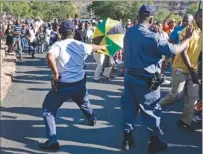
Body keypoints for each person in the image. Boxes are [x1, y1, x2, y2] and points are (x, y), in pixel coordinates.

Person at [121, 4, 194, 153]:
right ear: (152, 18)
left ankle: (127, 139)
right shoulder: (154, 37)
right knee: (151, 111)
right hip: (146, 81)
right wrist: (187, 39)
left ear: (138, 16)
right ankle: (155, 143)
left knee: (129, 109)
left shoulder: (129, 32)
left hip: (129, 78)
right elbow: (175, 50)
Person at [38, 21, 106, 150]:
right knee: (84, 102)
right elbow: (93, 47)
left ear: (60, 32)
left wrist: (55, 73)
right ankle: (91, 119)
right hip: (79, 83)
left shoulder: (58, 45)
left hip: (63, 85)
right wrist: (104, 46)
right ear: (74, 32)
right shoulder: (81, 45)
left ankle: (52, 140)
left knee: (48, 109)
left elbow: (50, 56)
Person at [160, 9, 202, 131]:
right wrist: (193, 71)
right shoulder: (188, 30)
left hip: (194, 69)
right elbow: (183, 52)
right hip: (180, 68)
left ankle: (185, 121)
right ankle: (154, 107)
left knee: (192, 98)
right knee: (176, 96)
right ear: (196, 17)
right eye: (201, 16)